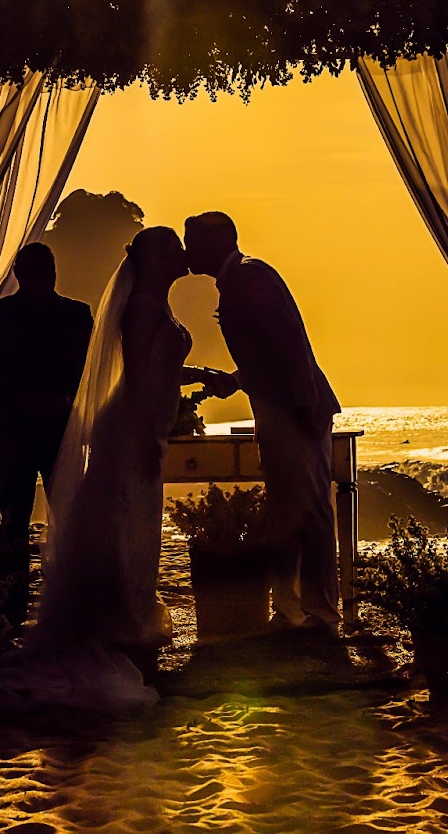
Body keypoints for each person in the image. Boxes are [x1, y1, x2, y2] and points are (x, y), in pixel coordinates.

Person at [0, 226, 219, 711]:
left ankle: (117, 611)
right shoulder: (139, 307)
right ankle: (32, 611)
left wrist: (194, 379)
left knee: (95, 519)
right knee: (23, 519)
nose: (182, 254)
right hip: (75, 425)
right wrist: (151, 425)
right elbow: (131, 376)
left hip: (108, 422)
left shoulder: (97, 311)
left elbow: (114, 366)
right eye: (173, 248)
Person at [185, 211, 342, 636]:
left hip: (294, 410)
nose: (186, 251)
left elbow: (290, 341)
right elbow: (266, 355)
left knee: (309, 511)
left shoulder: (248, 277)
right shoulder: (240, 279)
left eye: (191, 241)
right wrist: (234, 382)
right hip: (280, 410)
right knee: (289, 510)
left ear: (218, 242)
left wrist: (306, 405)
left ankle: (321, 612)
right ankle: (293, 610)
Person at [0, 242, 93, 624]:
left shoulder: (75, 314)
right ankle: (13, 595)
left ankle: (66, 590)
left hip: (51, 423)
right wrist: (26, 397)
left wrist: (57, 398)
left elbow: (88, 365)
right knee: (15, 515)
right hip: (20, 424)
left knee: (65, 511)